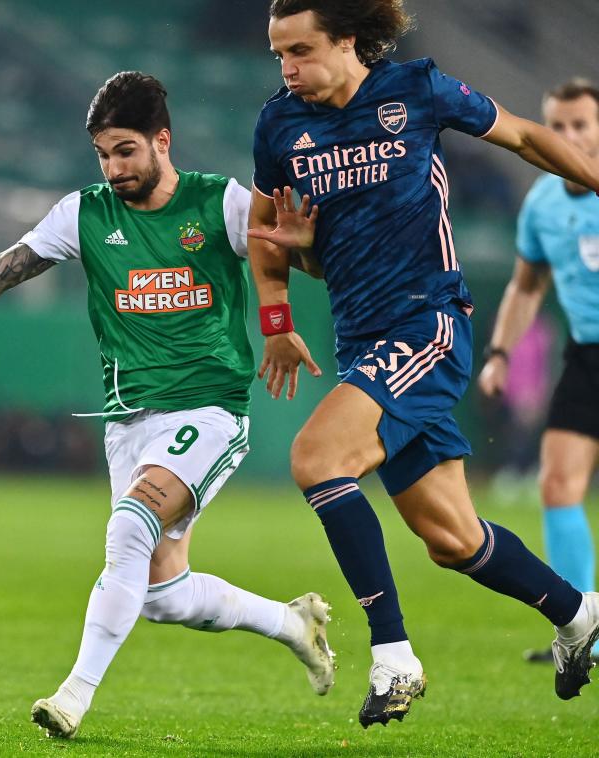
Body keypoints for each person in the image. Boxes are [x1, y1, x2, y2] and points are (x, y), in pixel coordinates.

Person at [0, 71, 335, 740]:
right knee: (162, 593)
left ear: (162, 140)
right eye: (104, 154)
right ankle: (293, 623)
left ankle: (73, 696)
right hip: (127, 422)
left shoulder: (217, 202)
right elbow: (2, 269)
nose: (113, 167)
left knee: (133, 524)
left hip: (207, 411)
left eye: (126, 151)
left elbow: (294, 261)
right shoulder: (84, 213)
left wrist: (303, 246)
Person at [246, 0, 599, 728]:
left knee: (316, 458)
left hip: (428, 322)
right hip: (361, 339)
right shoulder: (280, 125)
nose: (287, 68)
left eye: (300, 51)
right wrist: (283, 305)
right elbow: (268, 236)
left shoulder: (418, 90)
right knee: (453, 539)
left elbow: (528, 137)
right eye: (278, 52)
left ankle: (393, 655)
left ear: (348, 39)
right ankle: (578, 614)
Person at [478, 78, 599, 663]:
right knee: (557, 484)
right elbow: (526, 287)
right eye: (560, 126)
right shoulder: (543, 202)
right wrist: (500, 352)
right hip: (586, 355)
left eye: (582, 124)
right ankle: (585, 626)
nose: (570, 136)